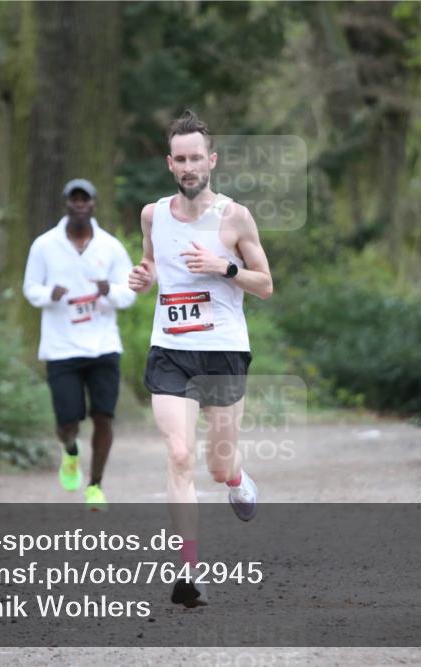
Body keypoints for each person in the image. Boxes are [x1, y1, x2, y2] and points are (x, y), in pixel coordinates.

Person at [128, 110, 273, 607]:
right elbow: (150, 262)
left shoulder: (235, 217)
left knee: (216, 464)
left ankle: (236, 479)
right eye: (180, 159)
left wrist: (223, 266)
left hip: (223, 349)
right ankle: (189, 572)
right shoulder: (152, 215)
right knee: (179, 455)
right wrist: (144, 277)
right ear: (170, 164)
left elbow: (266, 285)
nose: (189, 166)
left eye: (197, 158)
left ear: (211, 160)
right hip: (170, 348)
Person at [23, 178, 136, 510]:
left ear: (94, 205)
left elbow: (129, 291)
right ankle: (70, 451)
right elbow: (30, 288)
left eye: (85, 200)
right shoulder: (44, 246)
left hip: (103, 345)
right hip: (62, 347)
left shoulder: (111, 247)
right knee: (67, 422)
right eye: (74, 200)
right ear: (65, 204)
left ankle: (96, 485)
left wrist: (109, 292)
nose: (80, 205)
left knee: (104, 418)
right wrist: (49, 295)